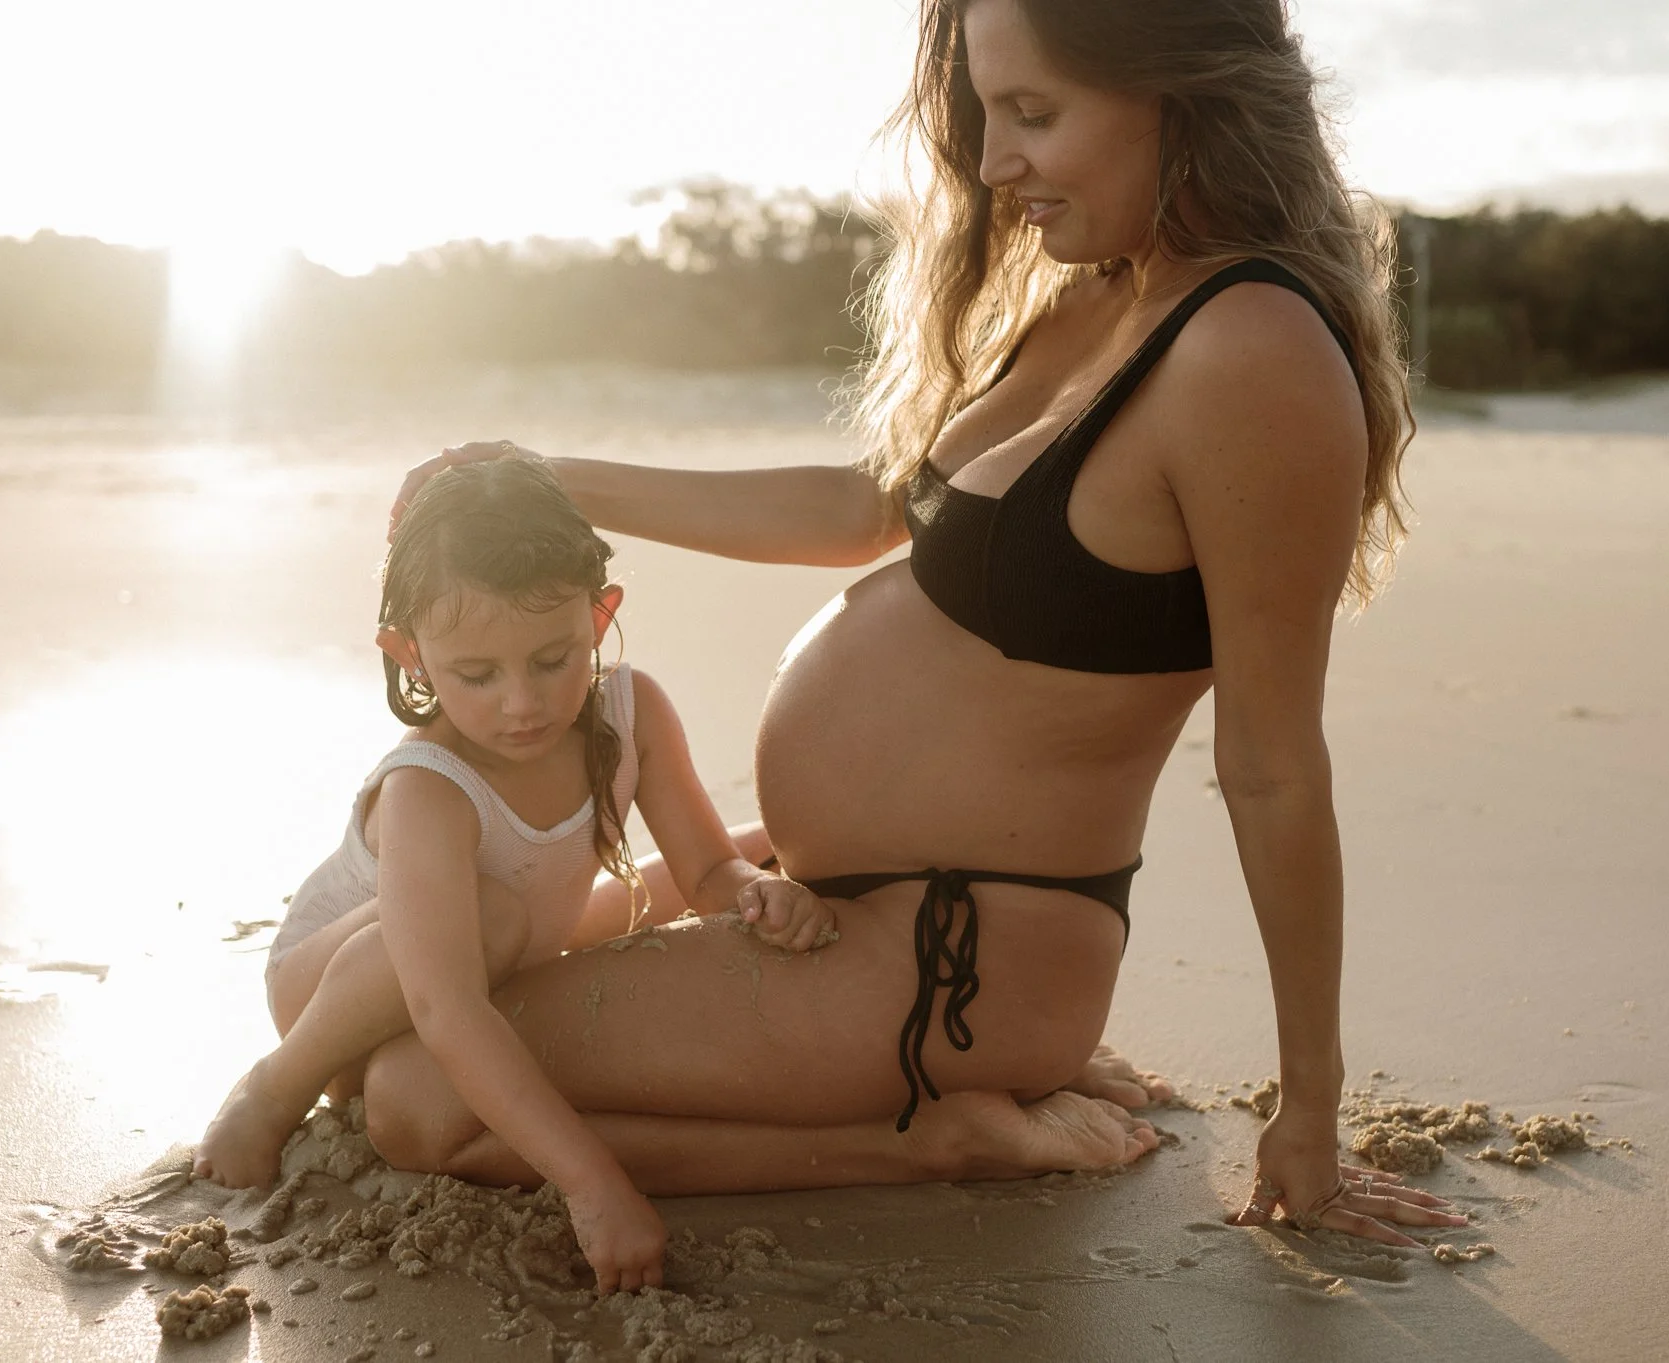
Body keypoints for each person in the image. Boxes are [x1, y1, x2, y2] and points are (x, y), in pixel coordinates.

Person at [366, 0, 1464, 1284]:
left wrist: (1311, 1109)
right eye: (984, 115)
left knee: (415, 1095)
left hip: (949, 960)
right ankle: (905, 1097)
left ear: (1179, 88)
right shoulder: (1100, 303)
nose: (993, 164)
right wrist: (547, 477)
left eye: (1034, 113)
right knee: (401, 1013)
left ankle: (931, 1140)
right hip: (853, 920)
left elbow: (1273, 765)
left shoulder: (1250, 351)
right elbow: (857, 508)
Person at [192, 457, 857, 1290]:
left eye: (553, 658)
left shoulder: (632, 708)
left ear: (600, 612)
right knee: (495, 918)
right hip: (340, 988)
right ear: (411, 655)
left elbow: (705, 866)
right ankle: (274, 1084)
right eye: (477, 674)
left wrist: (751, 890)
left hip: (519, 936)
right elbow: (445, 1002)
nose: (523, 702)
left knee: (751, 849)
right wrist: (592, 1185)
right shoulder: (429, 786)